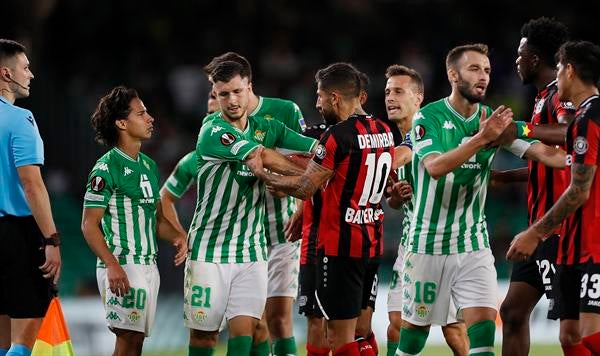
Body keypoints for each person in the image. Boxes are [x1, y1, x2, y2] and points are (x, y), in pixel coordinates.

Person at [395, 43, 565, 356]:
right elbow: (435, 166)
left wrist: (581, 154)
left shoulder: (491, 120)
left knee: (484, 332)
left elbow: (543, 153)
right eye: (474, 69)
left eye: (486, 70)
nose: (483, 76)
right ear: (452, 74)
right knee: (414, 339)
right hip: (426, 245)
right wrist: (482, 139)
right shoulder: (427, 118)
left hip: (473, 245)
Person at [247, 62, 395, 356]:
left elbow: (305, 187)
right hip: (372, 243)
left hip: (339, 247)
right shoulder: (384, 131)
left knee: (338, 339)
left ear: (335, 98)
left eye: (320, 96)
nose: (317, 103)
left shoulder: (337, 136)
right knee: (360, 332)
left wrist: (266, 176)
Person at [184, 60, 317, 356]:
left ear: (249, 88)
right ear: (215, 96)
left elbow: (314, 146)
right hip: (210, 249)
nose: (231, 101)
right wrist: (309, 176)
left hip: (251, 250)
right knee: (204, 338)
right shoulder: (212, 130)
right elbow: (262, 155)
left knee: (248, 332)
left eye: (236, 92)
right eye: (222, 95)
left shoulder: (267, 126)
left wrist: (330, 155)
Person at [494, 17, 586, 356]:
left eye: (520, 55)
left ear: (534, 59)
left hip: (558, 229)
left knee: (570, 333)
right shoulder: (539, 101)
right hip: (537, 227)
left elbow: (573, 133)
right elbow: (553, 160)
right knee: (513, 312)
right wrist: (505, 178)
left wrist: (521, 130)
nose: (516, 61)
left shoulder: (558, 98)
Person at [507, 40, 600, 354]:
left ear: (570, 70)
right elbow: (566, 164)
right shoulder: (585, 117)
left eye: (559, 70)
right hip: (574, 240)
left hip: (588, 242)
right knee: (569, 334)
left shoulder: (588, 118)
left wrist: (535, 232)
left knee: (587, 336)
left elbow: (578, 189)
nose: (556, 77)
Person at [81, 86, 187, 356]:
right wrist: (113, 266)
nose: (150, 118)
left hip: (148, 266)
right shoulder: (106, 167)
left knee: (136, 344)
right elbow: (89, 225)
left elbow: (154, 221)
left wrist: (179, 236)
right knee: (127, 341)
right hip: (123, 265)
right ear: (122, 123)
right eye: (141, 113)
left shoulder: (150, 166)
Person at [383, 64, 468, 356]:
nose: (390, 98)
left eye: (398, 91)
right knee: (396, 321)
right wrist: (396, 196)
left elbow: (401, 156)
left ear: (418, 98)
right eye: (387, 92)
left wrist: (355, 157)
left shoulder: (428, 128)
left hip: (443, 243)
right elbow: (396, 200)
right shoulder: (394, 142)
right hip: (410, 244)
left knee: (453, 329)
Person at [0, 39, 61, 356]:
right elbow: (31, 184)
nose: (31, 74)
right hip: (16, 234)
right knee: (27, 337)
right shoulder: (19, 119)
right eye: (25, 67)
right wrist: (51, 239)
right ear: (5, 74)